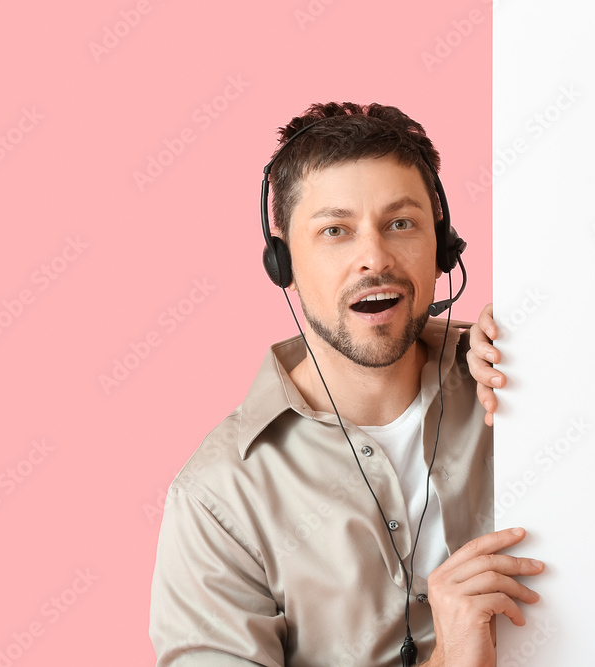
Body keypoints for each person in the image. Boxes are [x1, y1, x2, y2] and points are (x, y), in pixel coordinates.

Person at [149, 102, 542, 667]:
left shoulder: (513, 381)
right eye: (335, 231)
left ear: (443, 244)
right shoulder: (219, 499)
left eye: (401, 223)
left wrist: (549, 347)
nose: (373, 259)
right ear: (282, 261)